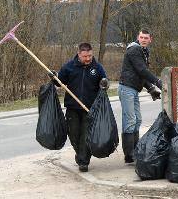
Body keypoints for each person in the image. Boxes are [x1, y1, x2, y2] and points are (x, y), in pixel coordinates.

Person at [50, 42, 108, 172]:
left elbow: (104, 82)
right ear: (79, 54)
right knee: (74, 135)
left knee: (86, 136)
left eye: (90, 56)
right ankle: (80, 154)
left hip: (90, 108)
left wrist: (105, 83)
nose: (88, 59)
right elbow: (59, 82)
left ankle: (83, 161)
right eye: (85, 56)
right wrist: (54, 77)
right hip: (72, 108)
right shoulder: (69, 67)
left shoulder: (97, 68)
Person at [118, 29, 162, 163]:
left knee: (137, 120)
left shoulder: (144, 51)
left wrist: (150, 88)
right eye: (141, 37)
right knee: (130, 120)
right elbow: (142, 70)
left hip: (133, 89)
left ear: (150, 40)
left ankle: (135, 150)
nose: (143, 39)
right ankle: (129, 155)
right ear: (138, 37)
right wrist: (157, 82)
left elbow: (140, 73)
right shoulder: (134, 50)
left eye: (146, 38)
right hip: (126, 88)